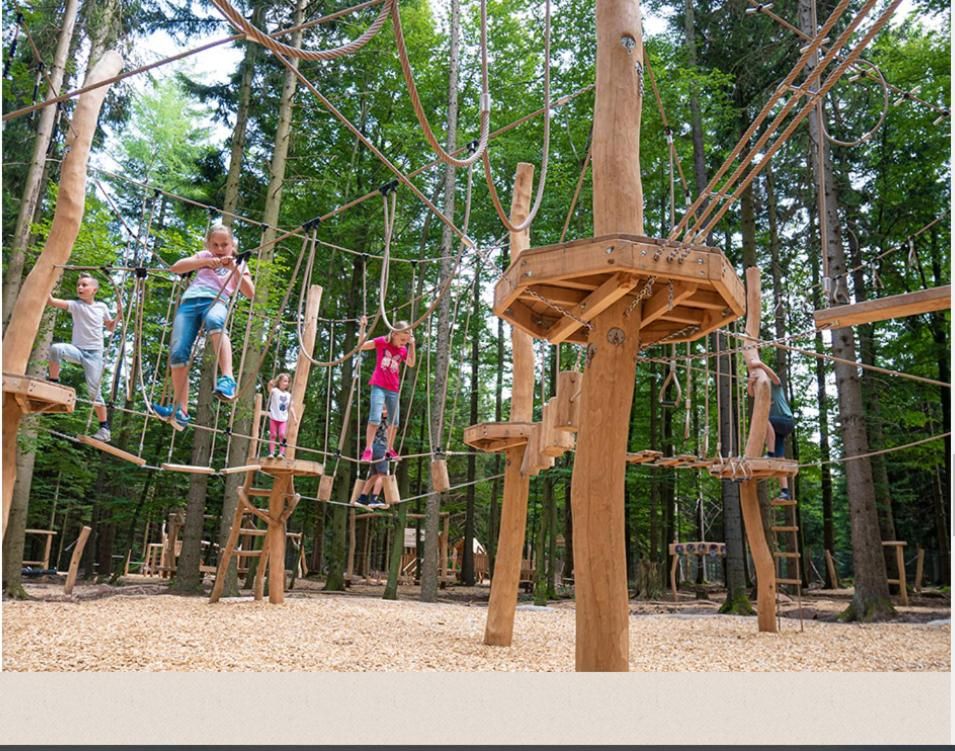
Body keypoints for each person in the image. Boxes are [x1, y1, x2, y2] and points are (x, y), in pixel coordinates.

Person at [150, 225, 254, 428]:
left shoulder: (239, 263)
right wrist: (206, 262)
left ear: (232, 245)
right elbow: (176, 267)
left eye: (224, 244)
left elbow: (250, 292)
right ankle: (180, 411)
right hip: (190, 303)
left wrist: (233, 267)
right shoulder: (204, 255)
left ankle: (228, 379)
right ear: (208, 244)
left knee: (216, 321)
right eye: (215, 244)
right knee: (178, 352)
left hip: (216, 300)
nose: (220, 248)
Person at [47, 274, 122, 442]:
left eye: (84, 285)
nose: (79, 288)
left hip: (94, 355)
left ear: (94, 290)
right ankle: (53, 382)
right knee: (56, 349)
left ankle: (104, 429)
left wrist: (118, 315)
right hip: (77, 350)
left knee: (94, 392)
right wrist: (46, 281)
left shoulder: (101, 307)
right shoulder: (75, 305)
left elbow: (110, 327)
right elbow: (51, 301)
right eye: (78, 285)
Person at [358, 317, 415, 462]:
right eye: (402, 339)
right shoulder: (382, 341)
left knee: (394, 422)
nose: (403, 343)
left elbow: (411, 363)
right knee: (375, 419)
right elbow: (361, 345)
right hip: (379, 386)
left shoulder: (402, 350)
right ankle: (368, 449)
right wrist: (363, 328)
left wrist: (411, 345)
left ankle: (389, 449)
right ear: (394, 334)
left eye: (406, 341)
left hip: (393, 389)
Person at [746, 360, 795, 500]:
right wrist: (750, 382)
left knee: (763, 420)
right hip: (775, 428)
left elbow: (776, 378)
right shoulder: (759, 390)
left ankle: (770, 452)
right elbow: (751, 394)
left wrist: (761, 365)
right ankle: (785, 492)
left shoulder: (774, 385)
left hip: (785, 421)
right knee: (781, 459)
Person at [354, 405, 390, 509]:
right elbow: (388, 435)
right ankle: (374, 499)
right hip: (381, 447)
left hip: (372, 447)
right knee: (382, 475)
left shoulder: (375, 418)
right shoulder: (386, 420)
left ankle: (362, 498)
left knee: (374, 475)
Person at [266, 372, 295, 458]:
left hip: (283, 419)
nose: (286, 383)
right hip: (274, 417)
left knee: (282, 434)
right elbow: (269, 389)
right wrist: (270, 384)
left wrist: (295, 417)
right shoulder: (275, 391)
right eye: (284, 381)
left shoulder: (288, 395)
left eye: (287, 381)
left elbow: (290, 407)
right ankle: (271, 452)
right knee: (273, 435)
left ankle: (281, 453)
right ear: (279, 382)